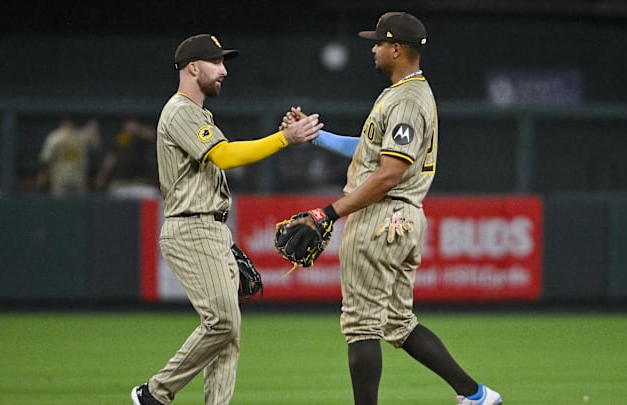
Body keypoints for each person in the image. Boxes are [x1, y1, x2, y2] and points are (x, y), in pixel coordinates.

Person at [281, 12, 502, 405]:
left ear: (396, 48)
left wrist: (328, 212)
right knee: (397, 324)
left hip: (383, 216)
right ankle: (476, 395)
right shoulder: (404, 93)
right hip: (399, 217)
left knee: (361, 327)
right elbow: (374, 153)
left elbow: (388, 174)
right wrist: (318, 137)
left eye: (379, 43)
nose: (374, 48)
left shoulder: (408, 100)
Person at [130, 33, 323, 405]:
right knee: (222, 320)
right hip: (191, 226)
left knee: (228, 334)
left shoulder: (200, 114)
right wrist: (283, 138)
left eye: (224, 63)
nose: (223, 70)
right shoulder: (180, 110)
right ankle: (154, 393)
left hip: (212, 227)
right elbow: (226, 156)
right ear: (192, 67)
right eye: (216, 62)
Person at [94, 117, 158, 197]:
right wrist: (102, 175)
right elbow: (111, 157)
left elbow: (155, 135)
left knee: (154, 197)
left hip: (141, 182)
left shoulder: (143, 137)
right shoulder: (121, 138)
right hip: (121, 183)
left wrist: (138, 130)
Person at [36, 117, 100, 196]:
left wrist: (42, 176)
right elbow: (45, 159)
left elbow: (45, 158)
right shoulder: (57, 136)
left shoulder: (57, 136)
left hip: (71, 177)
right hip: (66, 177)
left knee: (66, 203)